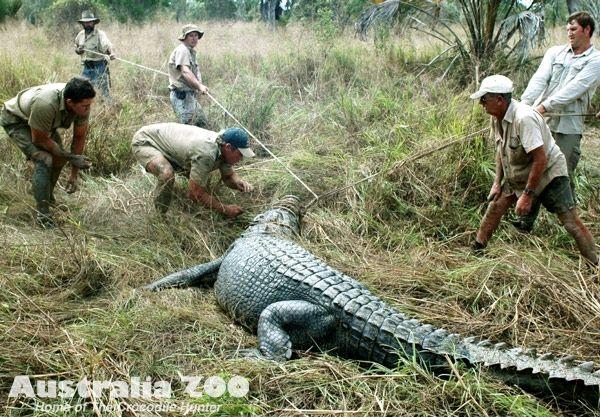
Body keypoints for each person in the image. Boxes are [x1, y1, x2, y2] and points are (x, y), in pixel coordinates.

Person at [471, 74, 598, 266]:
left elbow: (540, 159)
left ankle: (595, 265)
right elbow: (501, 151)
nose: (481, 103)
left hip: (548, 174)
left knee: (570, 222)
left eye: (484, 99)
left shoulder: (524, 118)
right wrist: (497, 183)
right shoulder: (496, 117)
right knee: (495, 206)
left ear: (499, 99)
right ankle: (477, 251)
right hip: (520, 173)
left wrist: (527, 196)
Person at [518, 11, 600, 231]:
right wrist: (524, 107)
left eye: (573, 29)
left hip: (568, 126)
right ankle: (526, 219)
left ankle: (572, 224)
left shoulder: (596, 60)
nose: (569, 34)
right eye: (567, 29)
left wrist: (544, 107)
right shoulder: (555, 53)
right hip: (541, 121)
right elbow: (539, 80)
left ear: (587, 30)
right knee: (535, 168)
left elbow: (575, 89)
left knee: (562, 173)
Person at [0, 77, 95, 227]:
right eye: (85, 106)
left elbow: (79, 137)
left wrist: (74, 174)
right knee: (45, 159)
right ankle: (43, 215)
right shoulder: (46, 104)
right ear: (70, 102)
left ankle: (47, 197)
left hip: (41, 123)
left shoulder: (81, 104)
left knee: (59, 158)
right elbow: (39, 140)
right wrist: (71, 157)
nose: (88, 109)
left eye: (90, 104)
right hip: (17, 121)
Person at [132, 123, 254, 217]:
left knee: (201, 181)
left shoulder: (223, 148)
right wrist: (225, 209)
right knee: (167, 174)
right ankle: (159, 215)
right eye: (240, 154)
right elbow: (195, 194)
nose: (241, 158)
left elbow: (228, 177)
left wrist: (239, 183)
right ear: (228, 147)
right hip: (146, 141)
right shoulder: (206, 153)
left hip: (173, 147)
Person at [167, 24, 209, 128]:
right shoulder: (183, 50)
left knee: (202, 123)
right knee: (187, 129)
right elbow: (185, 71)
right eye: (191, 35)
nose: (194, 38)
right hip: (181, 97)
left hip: (190, 96)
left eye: (196, 35)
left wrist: (198, 85)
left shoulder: (190, 51)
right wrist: (200, 86)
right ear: (184, 37)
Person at [74, 10, 115, 98]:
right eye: (86, 22)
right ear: (82, 24)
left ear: (94, 23)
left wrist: (111, 53)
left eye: (90, 22)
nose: (88, 24)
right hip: (87, 67)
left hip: (99, 66)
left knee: (103, 91)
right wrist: (79, 50)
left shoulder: (100, 34)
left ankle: (108, 108)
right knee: (84, 90)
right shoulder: (80, 35)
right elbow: (76, 48)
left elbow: (107, 45)